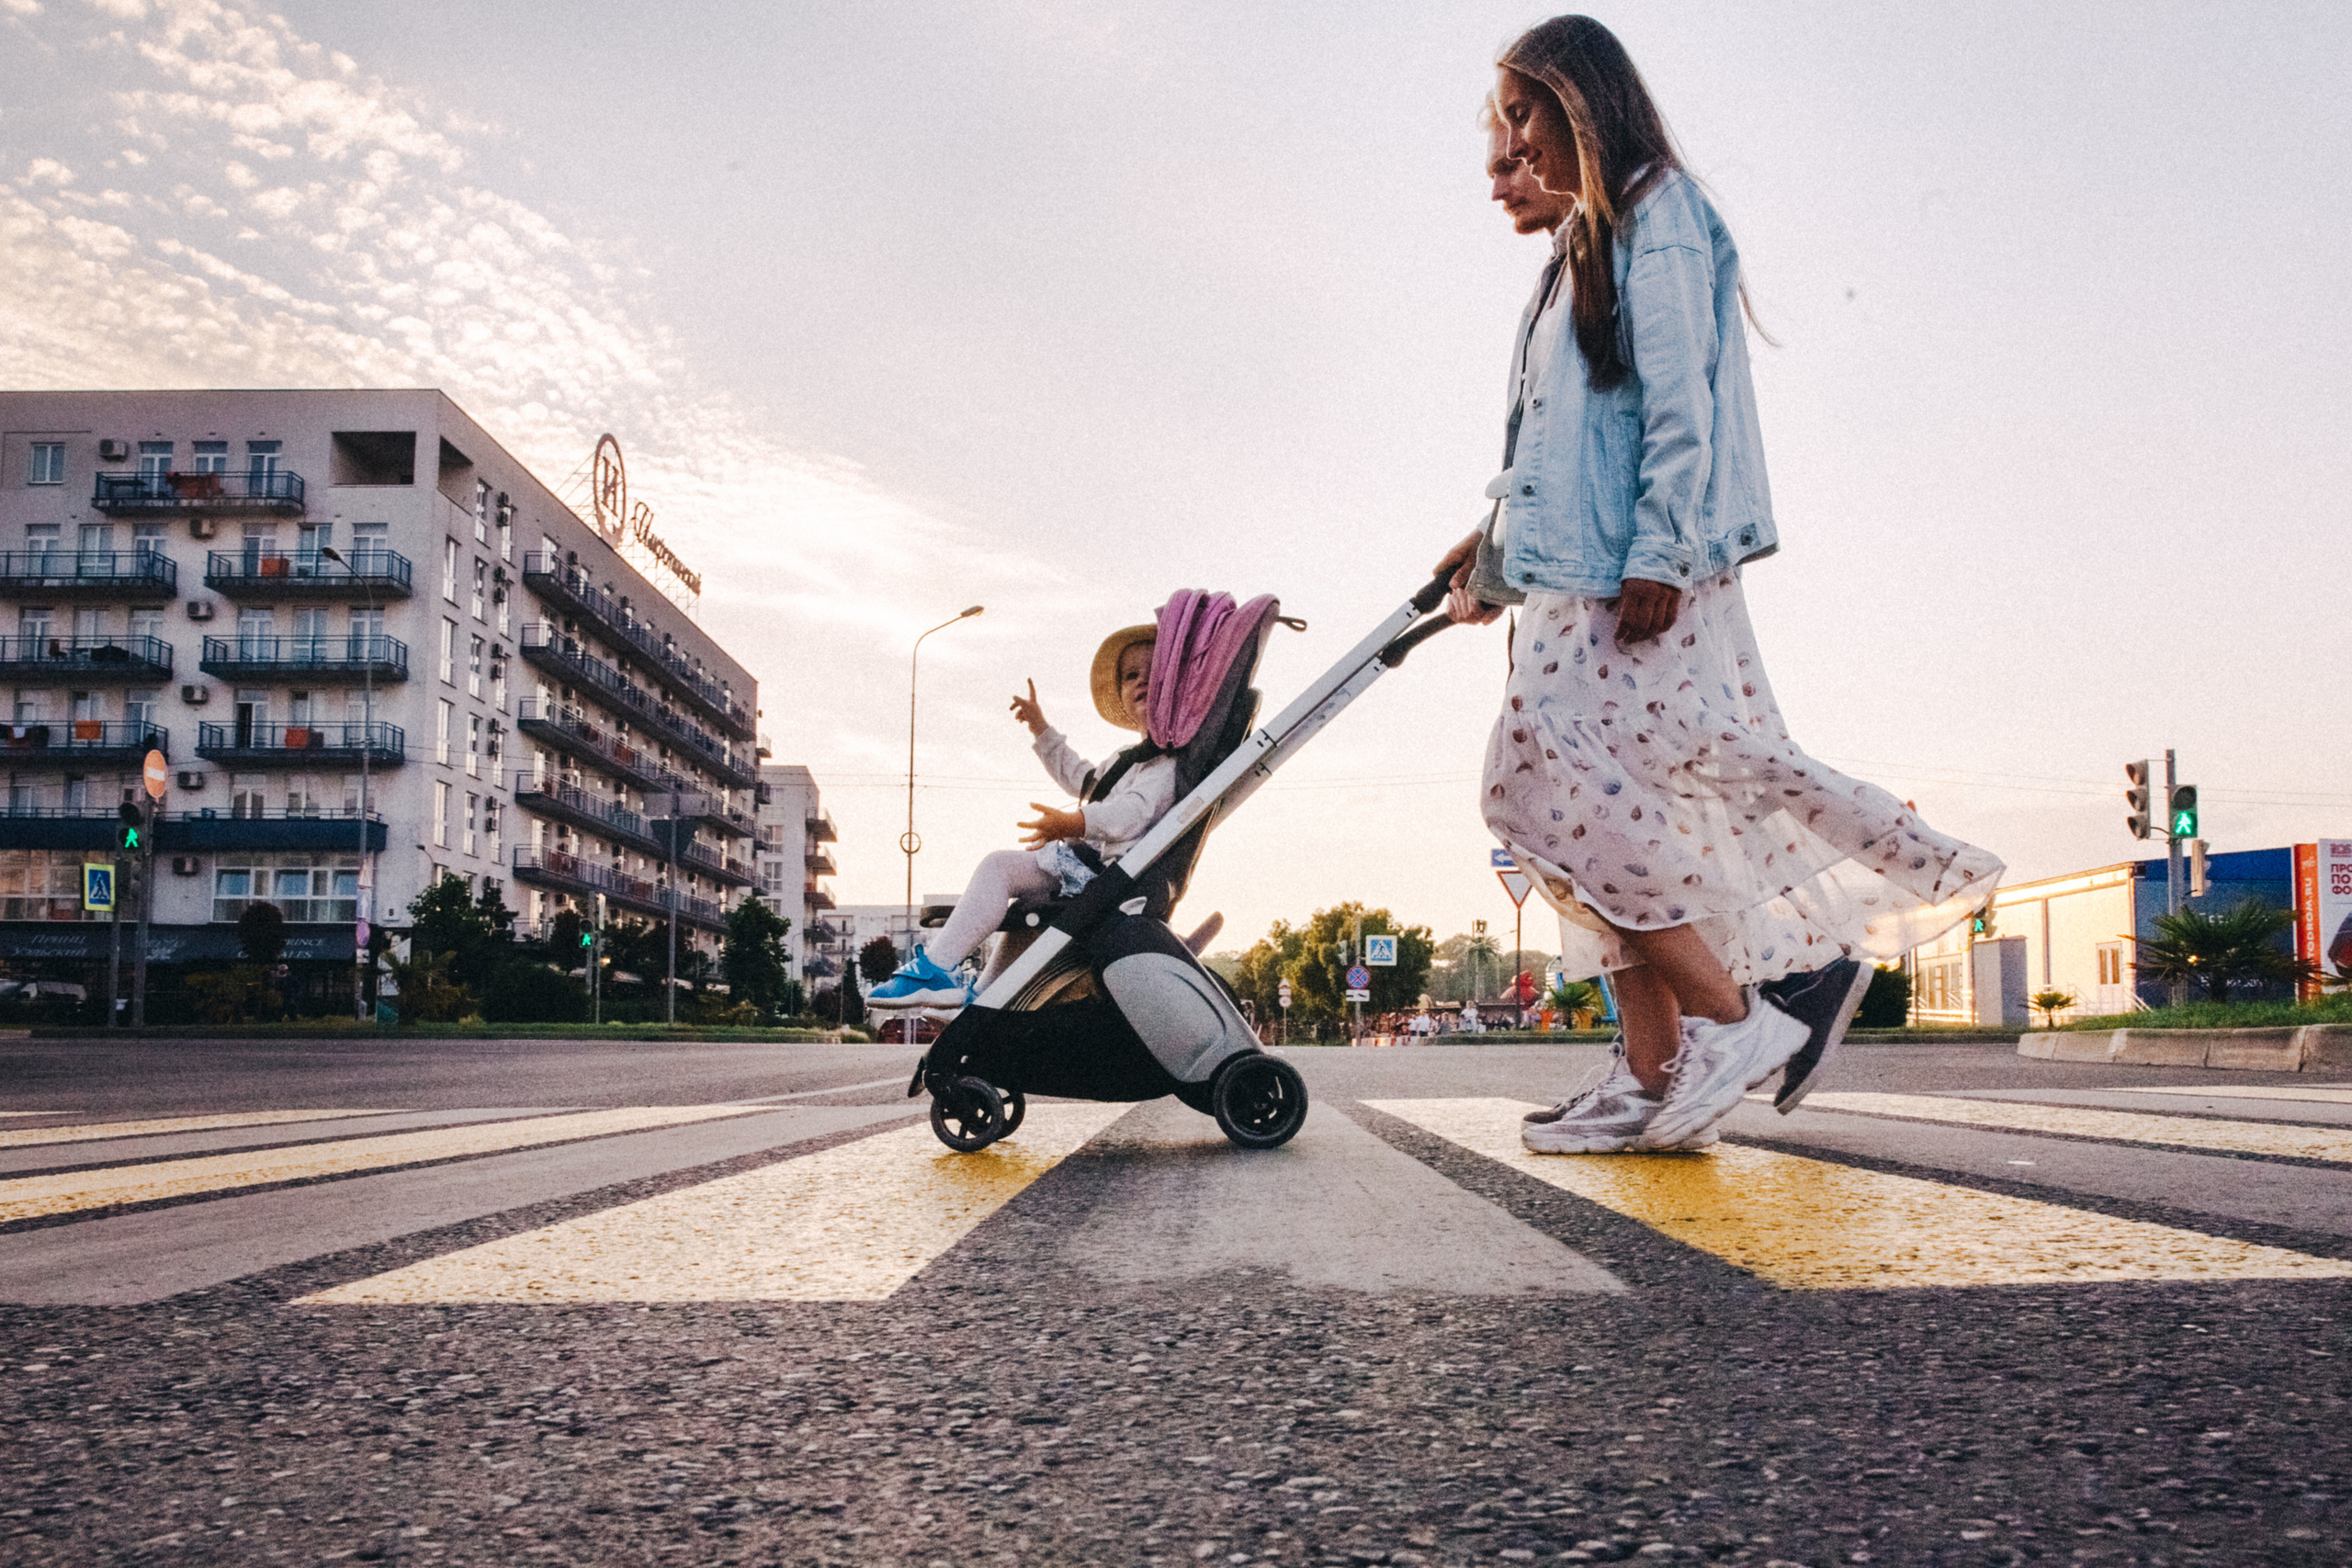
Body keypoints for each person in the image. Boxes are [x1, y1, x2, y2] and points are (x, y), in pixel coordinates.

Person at [1437, 15, 2002, 1155]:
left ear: (1578, 101)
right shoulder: (1581, 250)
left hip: (1634, 577)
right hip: (1578, 575)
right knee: (1605, 815)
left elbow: (1677, 409)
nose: (1508, 145)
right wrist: (1491, 550)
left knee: (1548, 798)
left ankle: (1735, 1024)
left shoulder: (1663, 219)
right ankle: (1653, 1078)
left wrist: (1658, 551)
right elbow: (1563, 445)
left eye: (1520, 114)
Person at [866, 625, 1174, 1011]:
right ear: (1123, 698)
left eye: (1153, 672)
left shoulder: (1166, 765)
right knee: (1026, 903)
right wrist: (1041, 730)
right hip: (1091, 874)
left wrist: (1075, 823)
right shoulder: (1127, 759)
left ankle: (936, 968)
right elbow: (1083, 780)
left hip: (1105, 879)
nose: (1141, 680)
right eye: (1131, 676)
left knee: (1000, 867)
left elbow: (1129, 814)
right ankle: (985, 998)